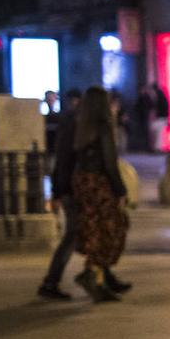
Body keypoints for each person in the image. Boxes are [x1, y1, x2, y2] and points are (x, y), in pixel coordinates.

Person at [61, 87, 130, 302]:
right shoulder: (103, 127)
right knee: (112, 228)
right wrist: (120, 190)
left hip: (82, 181)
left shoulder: (82, 125)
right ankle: (92, 273)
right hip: (98, 181)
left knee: (93, 227)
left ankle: (97, 276)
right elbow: (110, 162)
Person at [38, 101, 79, 300]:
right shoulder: (72, 143)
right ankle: (51, 281)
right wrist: (57, 194)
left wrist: (56, 193)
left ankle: (99, 275)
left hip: (67, 191)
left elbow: (58, 169)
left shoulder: (64, 141)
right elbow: (62, 169)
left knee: (76, 234)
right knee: (72, 235)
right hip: (72, 192)